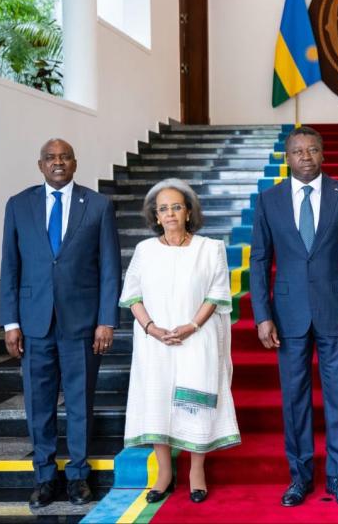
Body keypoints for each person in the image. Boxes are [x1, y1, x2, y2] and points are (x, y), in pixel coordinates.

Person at [250, 126, 338, 508]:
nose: (306, 156)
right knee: (294, 399)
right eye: (298, 151)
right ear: (287, 157)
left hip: (337, 312)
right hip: (287, 316)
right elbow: (259, 260)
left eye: (313, 150)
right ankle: (299, 477)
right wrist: (261, 315)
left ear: (323, 155)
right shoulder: (268, 200)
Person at [0, 139, 121, 508]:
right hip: (34, 323)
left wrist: (106, 321)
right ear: (40, 165)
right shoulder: (19, 205)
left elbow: (110, 270)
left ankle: (79, 476)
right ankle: (44, 476)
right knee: (39, 404)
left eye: (64, 157)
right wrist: (10, 322)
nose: (58, 163)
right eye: (50, 158)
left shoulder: (98, 206)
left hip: (82, 323)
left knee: (81, 402)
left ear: (75, 163)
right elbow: (9, 267)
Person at [119, 178, 240, 504]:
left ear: (188, 212)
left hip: (195, 338)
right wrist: (151, 328)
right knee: (158, 401)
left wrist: (190, 326)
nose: (170, 213)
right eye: (163, 209)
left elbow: (216, 294)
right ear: (155, 216)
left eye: (176, 207)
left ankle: (196, 471)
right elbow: (133, 296)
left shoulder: (209, 248)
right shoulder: (145, 251)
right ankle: (164, 473)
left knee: (194, 404)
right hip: (155, 343)